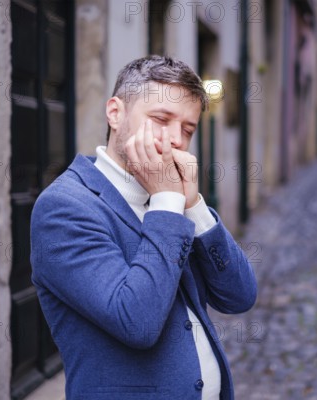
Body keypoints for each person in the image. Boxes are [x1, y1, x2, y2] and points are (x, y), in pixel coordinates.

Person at [30, 55, 258, 400]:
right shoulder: (65, 208)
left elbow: (239, 295)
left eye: (187, 129)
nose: (176, 140)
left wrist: (194, 206)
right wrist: (168, 202)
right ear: (115, 113)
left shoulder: (176, 199)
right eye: (161, 119)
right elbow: (136, 322)